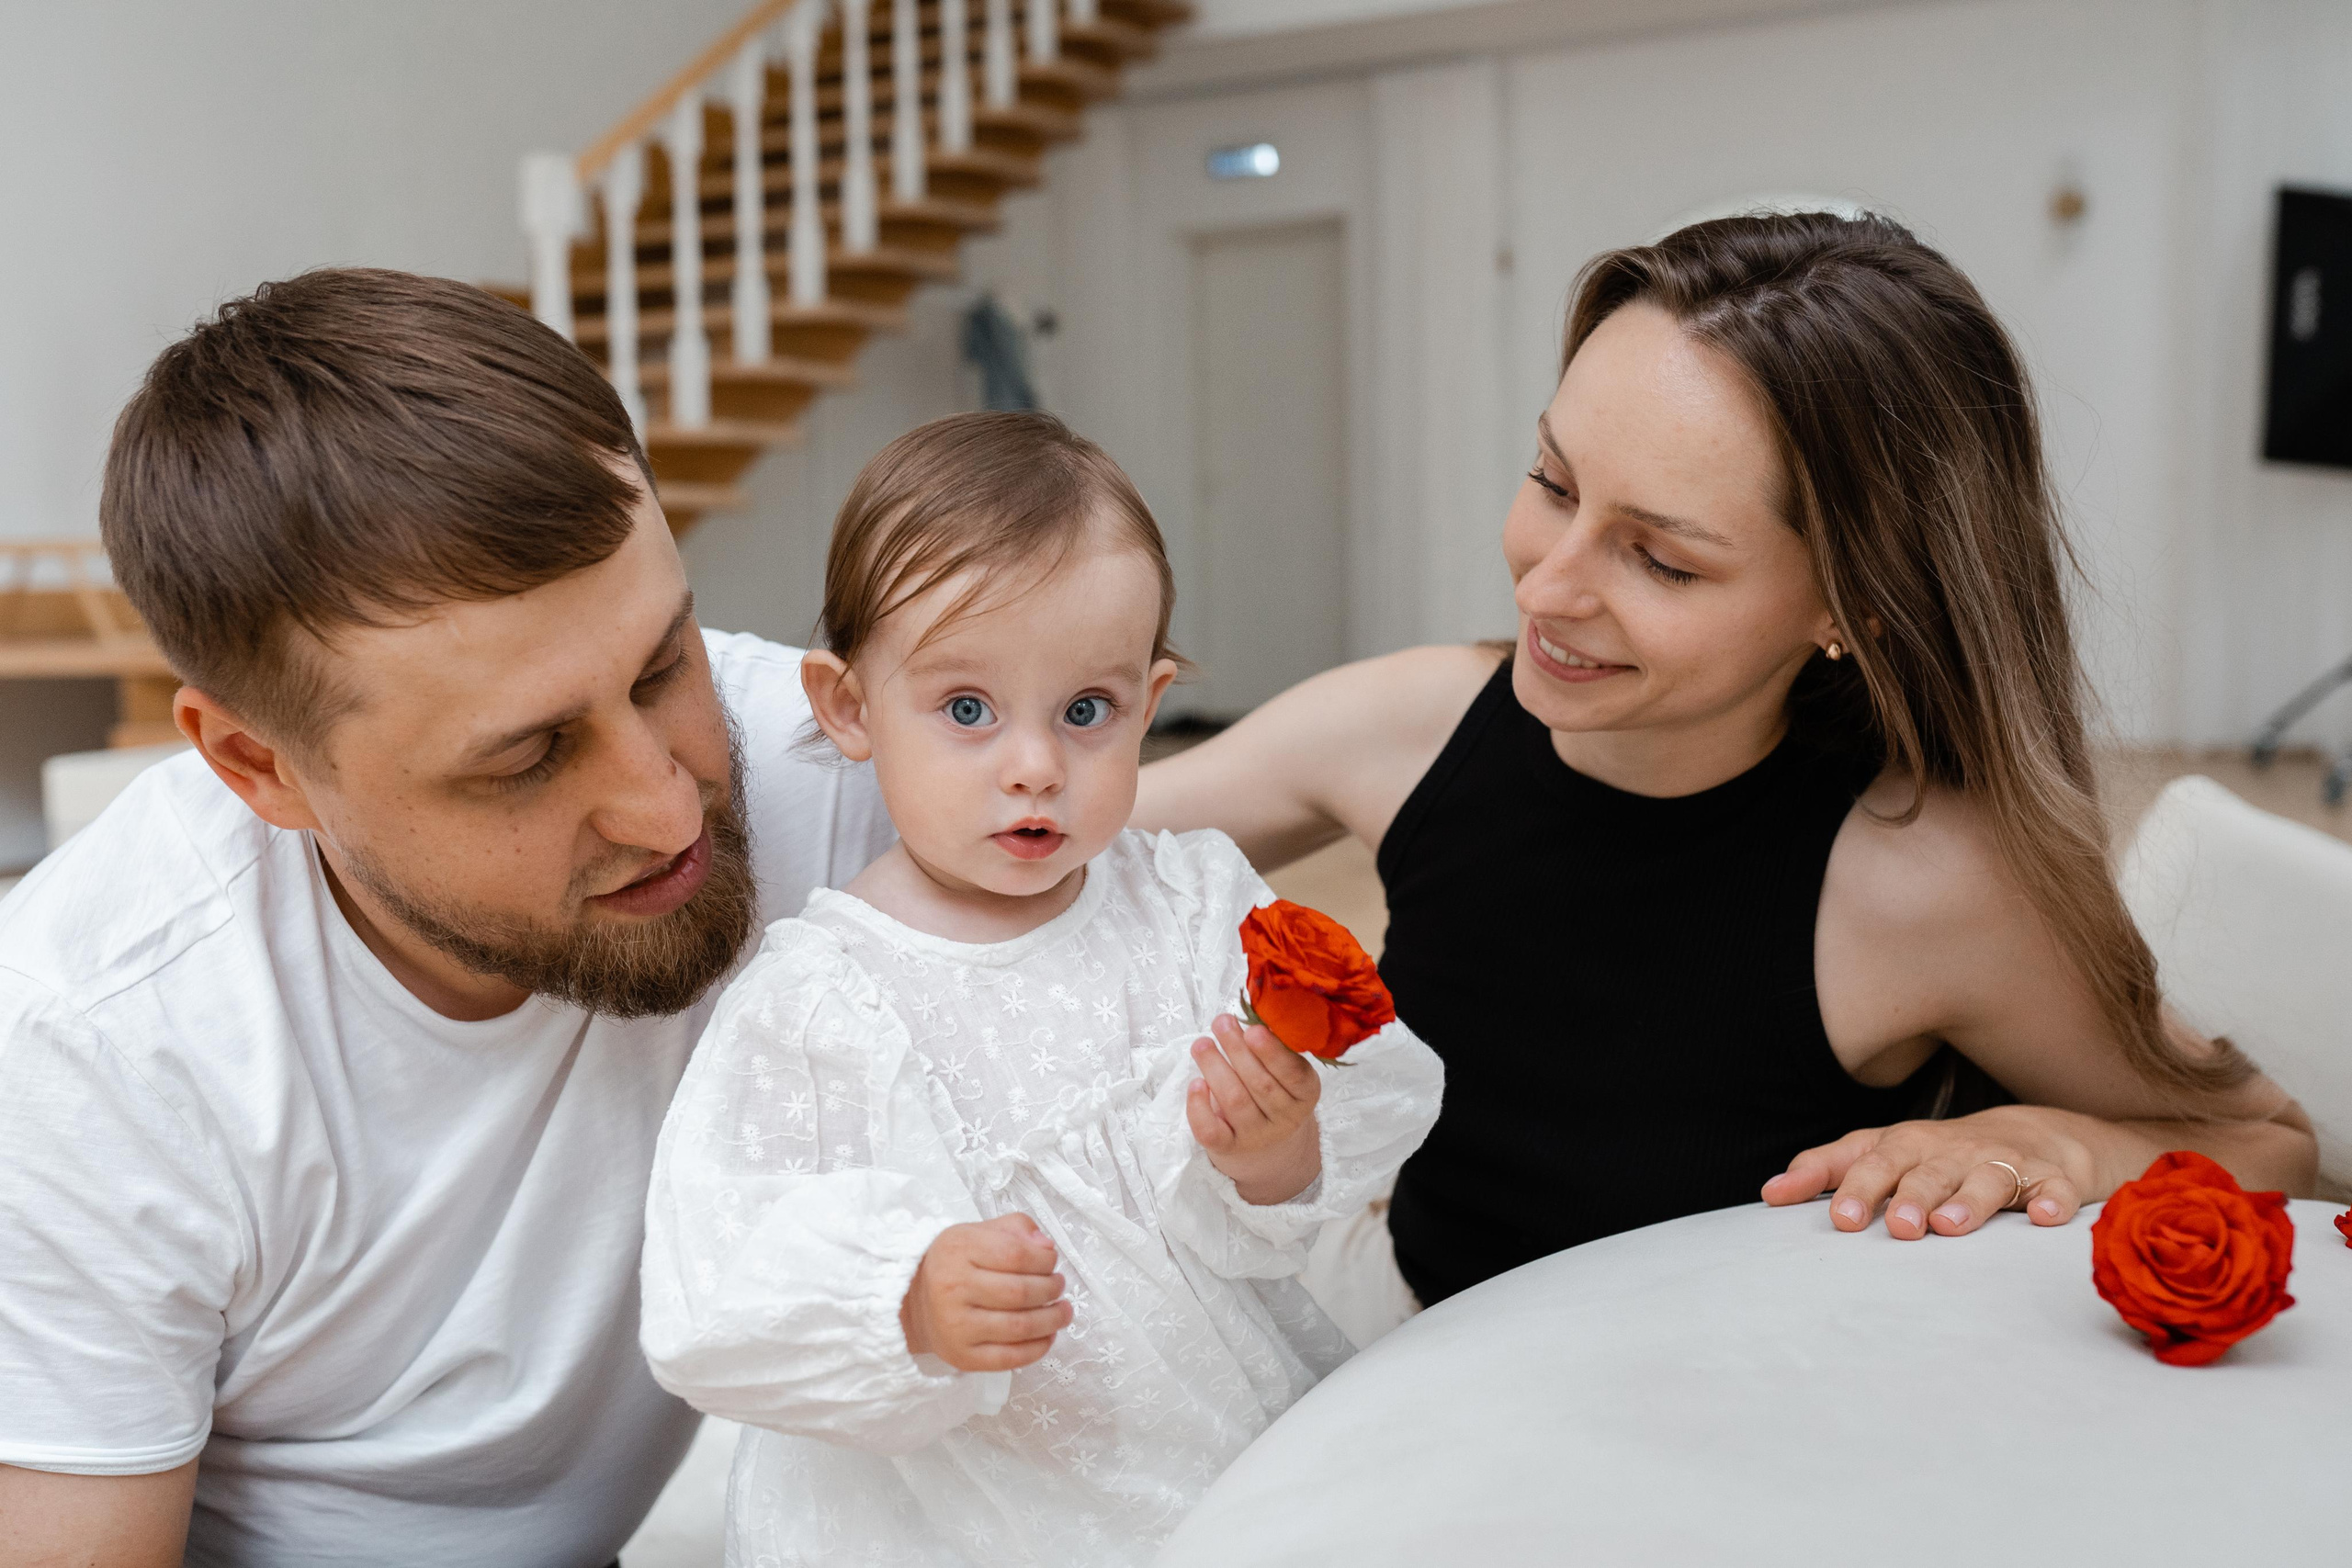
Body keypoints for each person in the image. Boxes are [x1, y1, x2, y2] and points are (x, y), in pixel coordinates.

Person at [1135, 212, 2317, 1332]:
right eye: (1552, 483)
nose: (1546, 588)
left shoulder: (1923, 879)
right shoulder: (1406, 724)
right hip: (1407, 1341)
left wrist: (2051, 1141)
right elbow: (1048, 839)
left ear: (1853, 605)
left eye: (1659, 559)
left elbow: (2267, 1144)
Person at [0, 270, 895, 1567]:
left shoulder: (796, 756)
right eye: (526, 757)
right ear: (265, 771)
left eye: (663, 665)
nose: (665, 804)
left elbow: (1182, 830)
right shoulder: (91, 1047)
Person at [638, 412, 1443, 1566]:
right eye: (966, 710)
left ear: (1149, 701)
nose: (1034, 764)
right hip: (947, 1507)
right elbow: (715, 1271)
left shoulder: (1189, 905)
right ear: (850, 706)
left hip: (1200, 1430)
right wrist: (903, 1298)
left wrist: (1275, 1155)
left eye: (1085, 711)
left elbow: (1319, 1156)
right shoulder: (823, 1000)